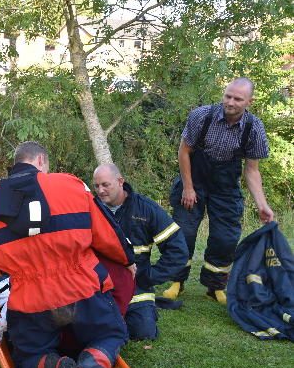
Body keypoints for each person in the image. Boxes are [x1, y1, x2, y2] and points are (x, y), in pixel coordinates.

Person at [0, 141, 136, 368]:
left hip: (30, 300)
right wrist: (128, 260)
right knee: (110, 334)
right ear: (41, 162)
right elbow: (108, 234)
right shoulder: (72, 185)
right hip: (82, 289)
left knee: (29, 356)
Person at [165, 78, 275, 304]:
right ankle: (177, 282)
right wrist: (188, 187)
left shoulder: (254, 128)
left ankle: (215, 287)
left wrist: (262, 204)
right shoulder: (201, 116)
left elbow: (252, 171)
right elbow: (184, 152)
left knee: (226, 238)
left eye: (237, 99)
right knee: (183, 232)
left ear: (249, 102)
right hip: (194, 180)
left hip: (225, 187)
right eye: (228, 96)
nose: (230, 102)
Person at [93, 164, 188, 340]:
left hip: (136, 285)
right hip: (100, 285)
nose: (100, 190)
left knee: (143, 333)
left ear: (120, 181)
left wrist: (148, 277)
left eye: (106, 184)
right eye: (96, 186)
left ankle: (146, 311)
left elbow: (178, 251)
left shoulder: (146, 209)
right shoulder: (91, 209)